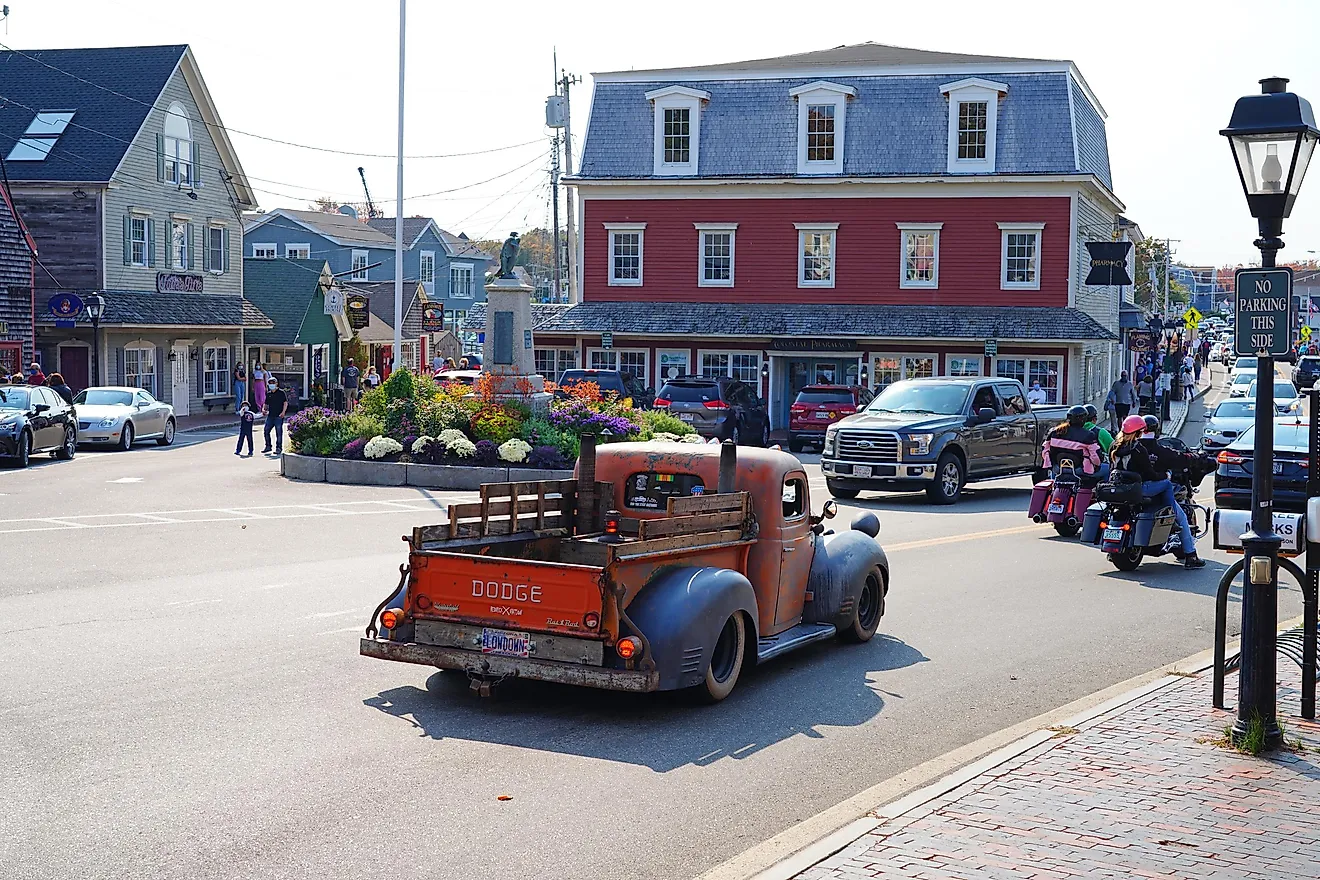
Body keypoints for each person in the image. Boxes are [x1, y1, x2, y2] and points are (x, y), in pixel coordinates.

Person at [1109, 414, 1204, 568]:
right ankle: (1190, 555)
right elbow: (1149, 474)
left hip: (1121, 488)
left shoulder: (1114, 446)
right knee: (1168, 487)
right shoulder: (1140, 449)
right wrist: (1165, 475)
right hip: (1142, 488)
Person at [1041, 406, 1103, 478]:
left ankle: (1054, 484)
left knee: (1055, 476)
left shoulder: (1054, 432)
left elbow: (1045, 450)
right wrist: (1098, 464)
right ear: (1083, 419)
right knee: (1107, 469)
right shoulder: (1088, 435)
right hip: (1081, 470)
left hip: (1058, 468)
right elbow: (1095, 458)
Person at [261, 377, 288, 455]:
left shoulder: (281, 393)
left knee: (278, 432)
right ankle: (268, 446)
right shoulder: (269, 394)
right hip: (270, 415)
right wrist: (263, 409)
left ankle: (278, 448)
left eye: (273, 383)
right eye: (270, 383)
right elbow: (266, 404)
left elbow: (285, 403)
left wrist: (283, 412)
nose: (271, 385)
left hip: (278, 416)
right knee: (266, 430)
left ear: (276, 384)